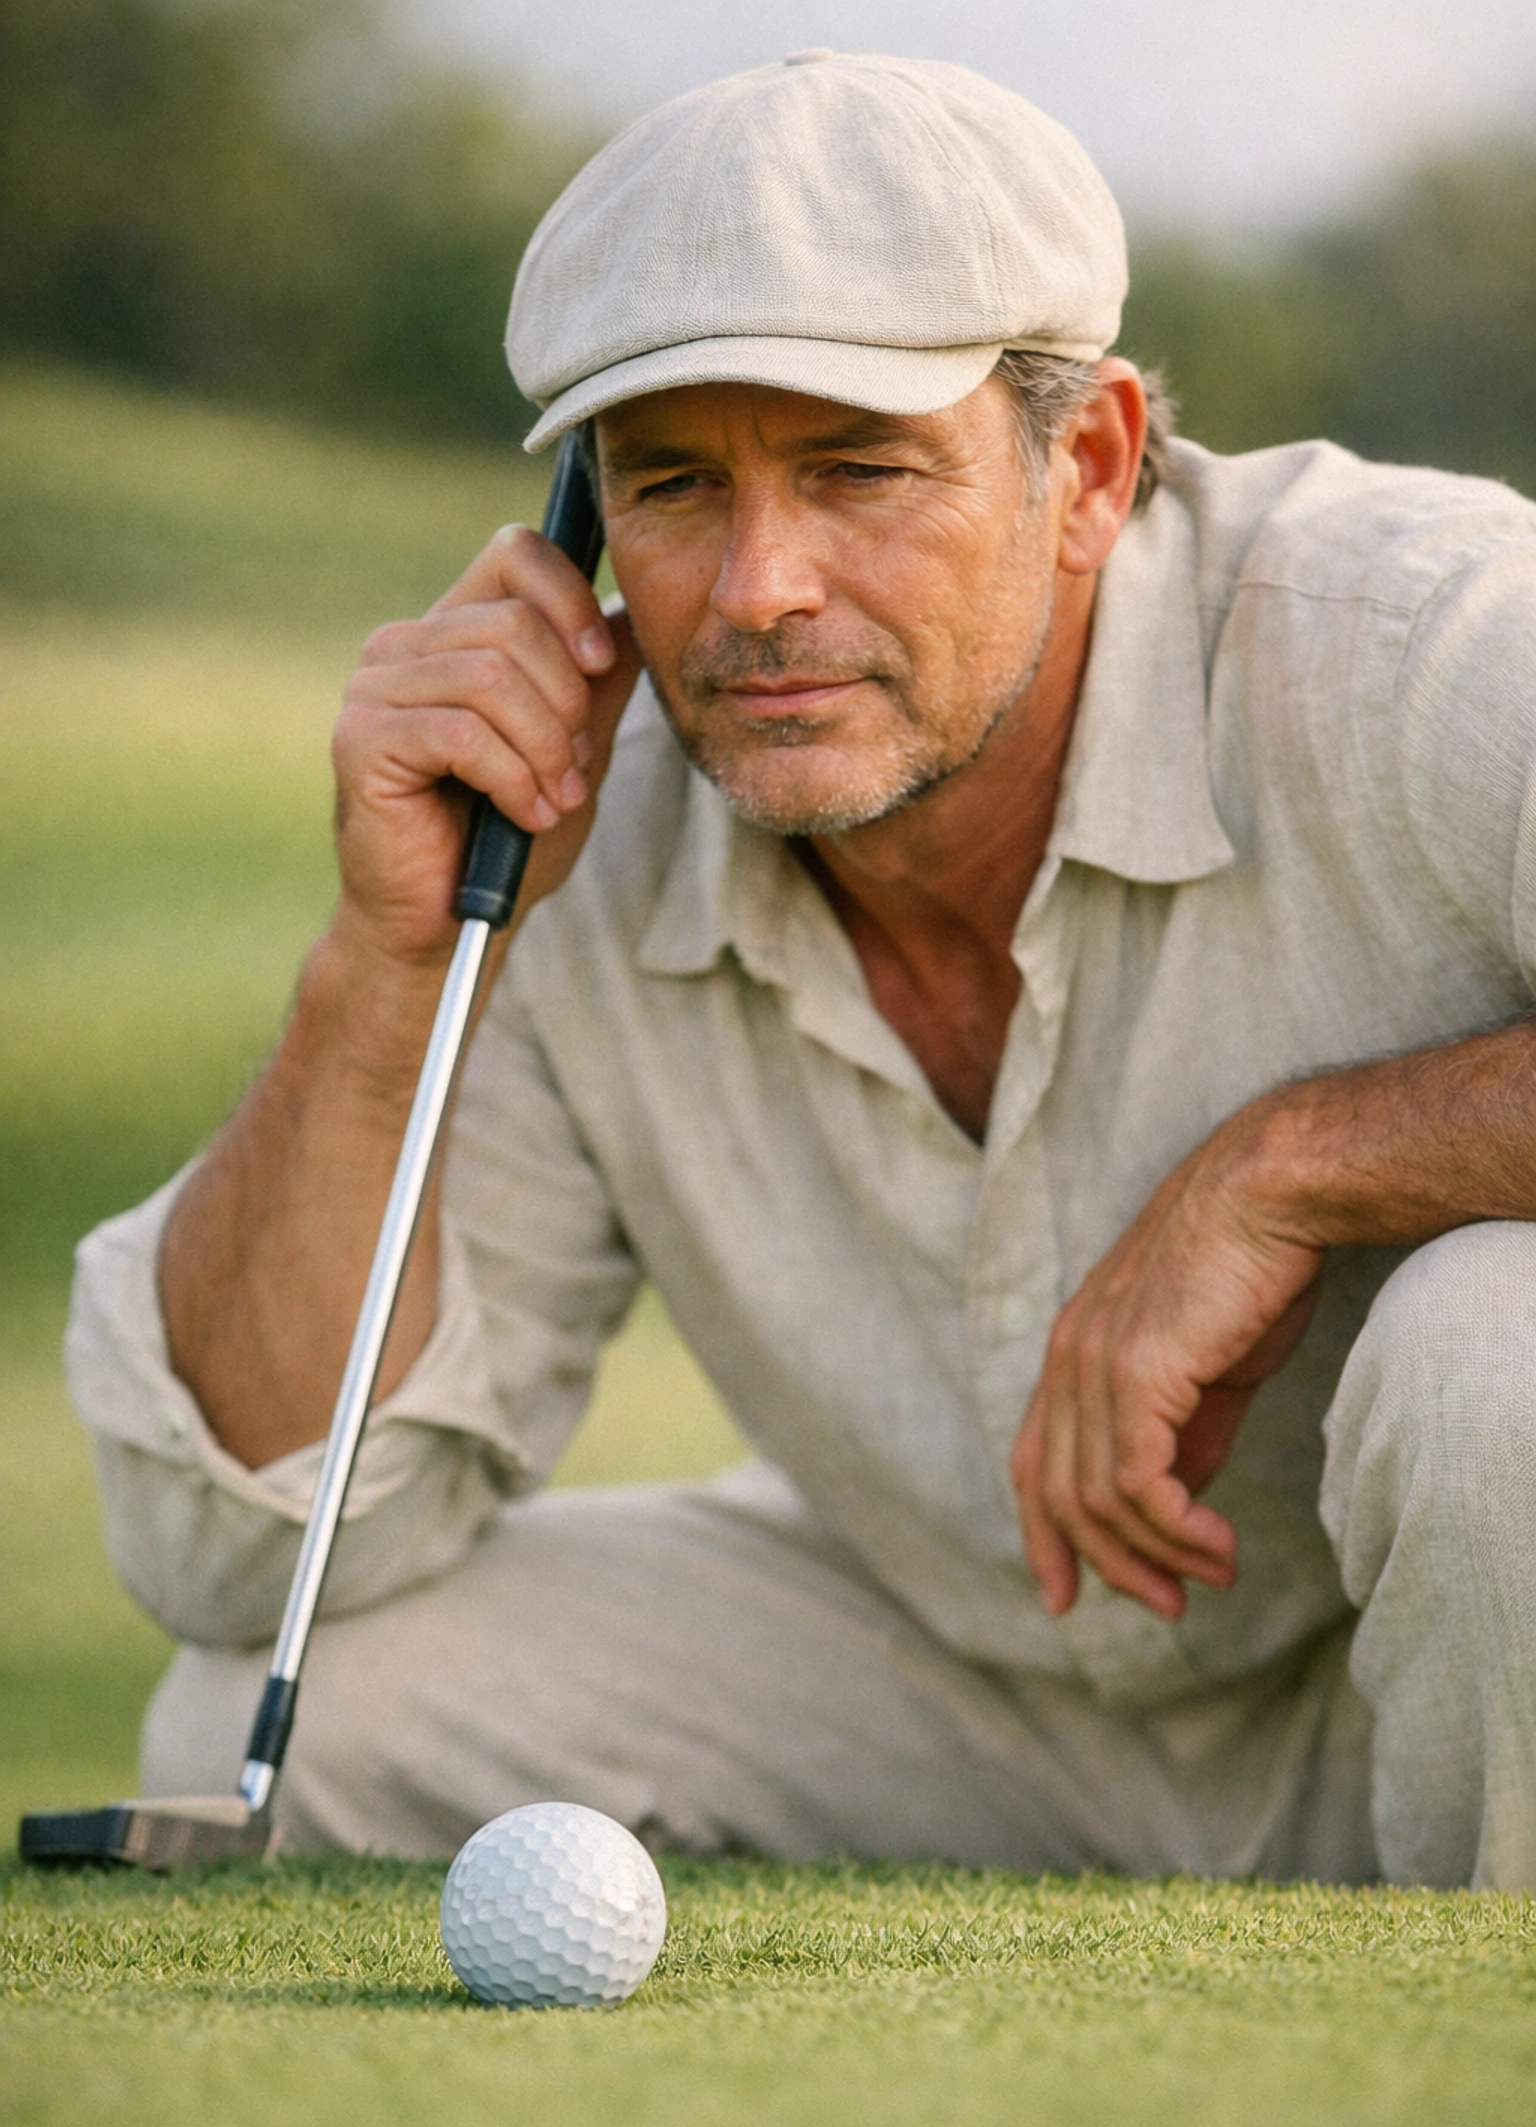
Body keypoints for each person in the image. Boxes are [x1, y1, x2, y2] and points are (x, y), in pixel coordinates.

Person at [67, 53, 1536, 1886]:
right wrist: (383, 963)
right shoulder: (555, 809)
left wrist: (1295, 1167)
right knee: (277, 1718)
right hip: (965, 1701)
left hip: (1444, 1681)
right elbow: (243, 1555)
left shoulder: (1433, 634)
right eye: (674, 486)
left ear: (1086, 466)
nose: (759, 588)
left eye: (859, 471)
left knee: (1509, 1354)